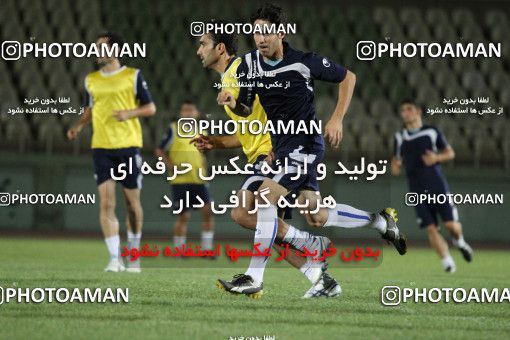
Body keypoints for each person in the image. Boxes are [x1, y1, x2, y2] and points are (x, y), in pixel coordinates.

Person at [216, 4, 406, 297]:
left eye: (266, 32)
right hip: (282, 149)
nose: (261, 39)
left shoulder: (303, 62)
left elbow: (348, 77)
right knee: (316, 214)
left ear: (280, 33)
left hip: (304, 144)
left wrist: (336, 118)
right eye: (256, 32)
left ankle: (254, 277)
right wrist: (232, 103)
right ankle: (381, 221)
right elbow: (246, 108)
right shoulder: (251, 64)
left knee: (264, 197)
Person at [195, 22, 337, 298]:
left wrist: (278, 143)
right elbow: (245, 131)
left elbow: (273, 103)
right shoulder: (229, 78)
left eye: (203, 44)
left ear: (220, 48)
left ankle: (304, 245)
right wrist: (216, 142)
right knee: (271, 231)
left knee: (241, 212)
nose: (198, 50)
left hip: (272, 153)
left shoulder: (241, 71)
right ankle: (322, 279)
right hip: (267, 152)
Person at [67, 32, 156, 272]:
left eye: (100, 47)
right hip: (101, 147)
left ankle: (134, 255)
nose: (96, 51)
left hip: (128, 146)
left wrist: (129, 113)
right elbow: (89, 109)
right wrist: (78, 125)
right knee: (106, 203)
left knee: (131, 204)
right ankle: (115, 258)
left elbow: (150, 108)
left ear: (115, 50)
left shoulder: (133, 76)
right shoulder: (91, 80)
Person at [391, 99, 473, 273]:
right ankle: (448, 263)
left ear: (418, 111)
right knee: (431, 227)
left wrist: (436, 158)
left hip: (437, 186)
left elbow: (450, 153)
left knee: (451, 226)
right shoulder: (399, 137)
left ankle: (459, 242)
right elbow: (395, 167)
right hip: (416, 189)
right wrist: (396, 165)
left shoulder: (432, 132)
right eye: (402, 110)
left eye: (409, 109)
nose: (405, 113)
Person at [155, 101, 214, 255]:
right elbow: (159, 150)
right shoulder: (173, 129)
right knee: (183, 216)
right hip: (180, 180)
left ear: (196, 113)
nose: (188, 113)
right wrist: (171, 166)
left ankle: (207, 250)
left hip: (199, 179)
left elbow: (203, 153)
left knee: (208, 211)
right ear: (181, 113)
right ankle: (179, 251)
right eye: (185, 110)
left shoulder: (202, 131)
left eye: (191, 110)